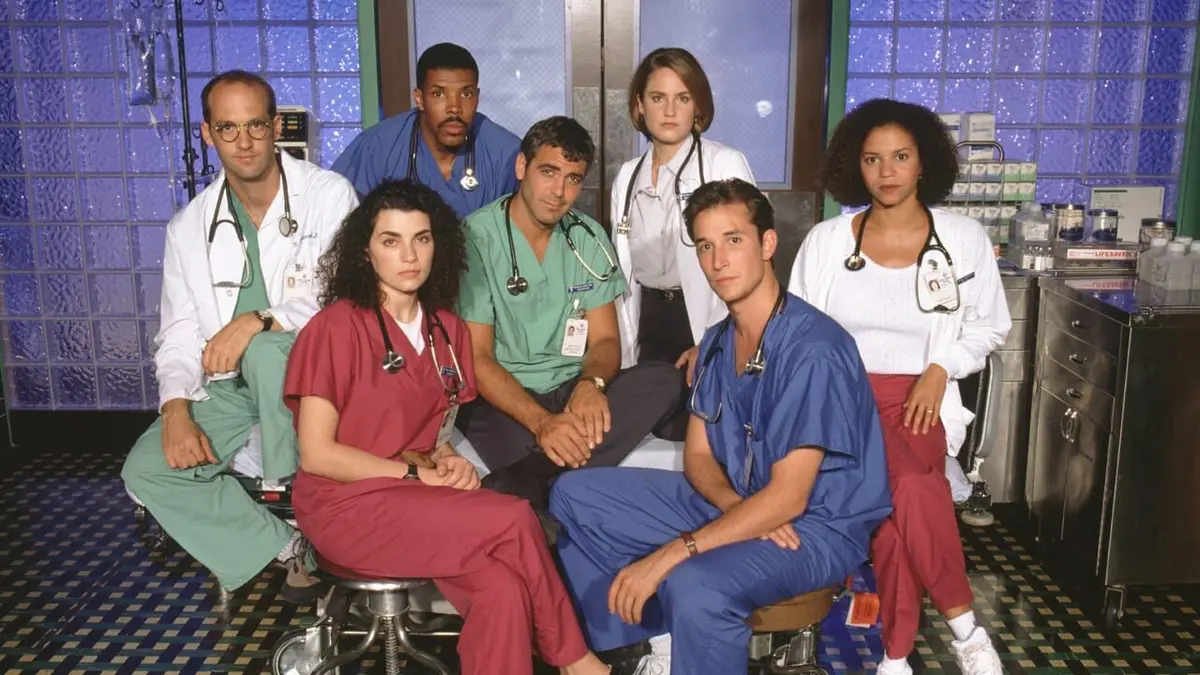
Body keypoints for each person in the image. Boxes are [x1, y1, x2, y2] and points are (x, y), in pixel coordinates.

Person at [549, 179, 893, 675]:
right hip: (740, 500)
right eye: (705, 246)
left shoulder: (814, 350)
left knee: (693, 584)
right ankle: (657, 647)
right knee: (572, 495)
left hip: (813, 526)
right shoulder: (715, 342)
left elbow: (789, 498)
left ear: (767, 244)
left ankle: (683, 626)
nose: (718, 260)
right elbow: (699, 456)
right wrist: (734, 508)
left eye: (733, 240)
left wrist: (675, 553)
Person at [281, 180, 612, 675]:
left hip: (412, 500)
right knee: (514, 518)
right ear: (365, 252)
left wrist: (445, 460)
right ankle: (576, 661)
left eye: (422, 238)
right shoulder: (335, 328)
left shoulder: (447, 331)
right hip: (343, 507)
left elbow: (429, 439)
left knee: (501, 587)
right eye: (390, 240)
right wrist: (418, 475)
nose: (409, 255)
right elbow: (317, 455)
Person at [788, 98, 1011, 675]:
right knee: (907, 494)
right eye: (872, 159)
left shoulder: (962, 238)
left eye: (901, 157)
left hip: (919, 402)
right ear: (854, 166)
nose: (886, 172)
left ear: (923, 162)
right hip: (843, 403)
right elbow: (798, 333)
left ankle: (900, 653)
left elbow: (990, 326)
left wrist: (940, 368)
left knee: (905, 492)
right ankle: (957, 634)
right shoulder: (827, 242)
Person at [121, 70, 359, 603]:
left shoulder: (328, 195)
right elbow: (179, 332)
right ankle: (289, 545)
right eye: (228, 128)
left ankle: (301, 498)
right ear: (208, 134)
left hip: (314, 374)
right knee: (146, 472)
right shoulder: (189, 226)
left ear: (275, 126)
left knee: (269, 350)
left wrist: (259, 318)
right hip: (229, 386)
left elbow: (346, 295)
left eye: (255, 125)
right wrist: (175, 408)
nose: (244, 141)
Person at [455, 116, 683, 529]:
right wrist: (543, 423)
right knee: (480, 413)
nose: (559, 192)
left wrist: (590, 385)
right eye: (548, 172)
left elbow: (606, 341)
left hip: (569, 390)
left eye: (573, 179)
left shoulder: (587, 238)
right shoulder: (476, 238)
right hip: (503, 397)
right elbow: (478, 358)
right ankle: (558, 481)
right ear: (521, 167)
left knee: (663, 380)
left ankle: (531, 476)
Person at [611, 47, 758, 441]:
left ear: (698, 106)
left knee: (695, 433)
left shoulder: (723, 164)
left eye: (683, 98)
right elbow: (622, 272)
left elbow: (751, 270)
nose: (670, 111)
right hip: (647, 323)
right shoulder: (627, 176)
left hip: (706, 323)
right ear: (640, 105)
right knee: (643, 434)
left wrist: (713, 341)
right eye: (658, 98)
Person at [331, 42, 521, 219]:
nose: (454, 108)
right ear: (419, 99)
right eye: (438, 94)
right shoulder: (377, 147)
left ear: (477, 97)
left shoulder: (506, 153)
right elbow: (335, 212)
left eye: (466, 94)